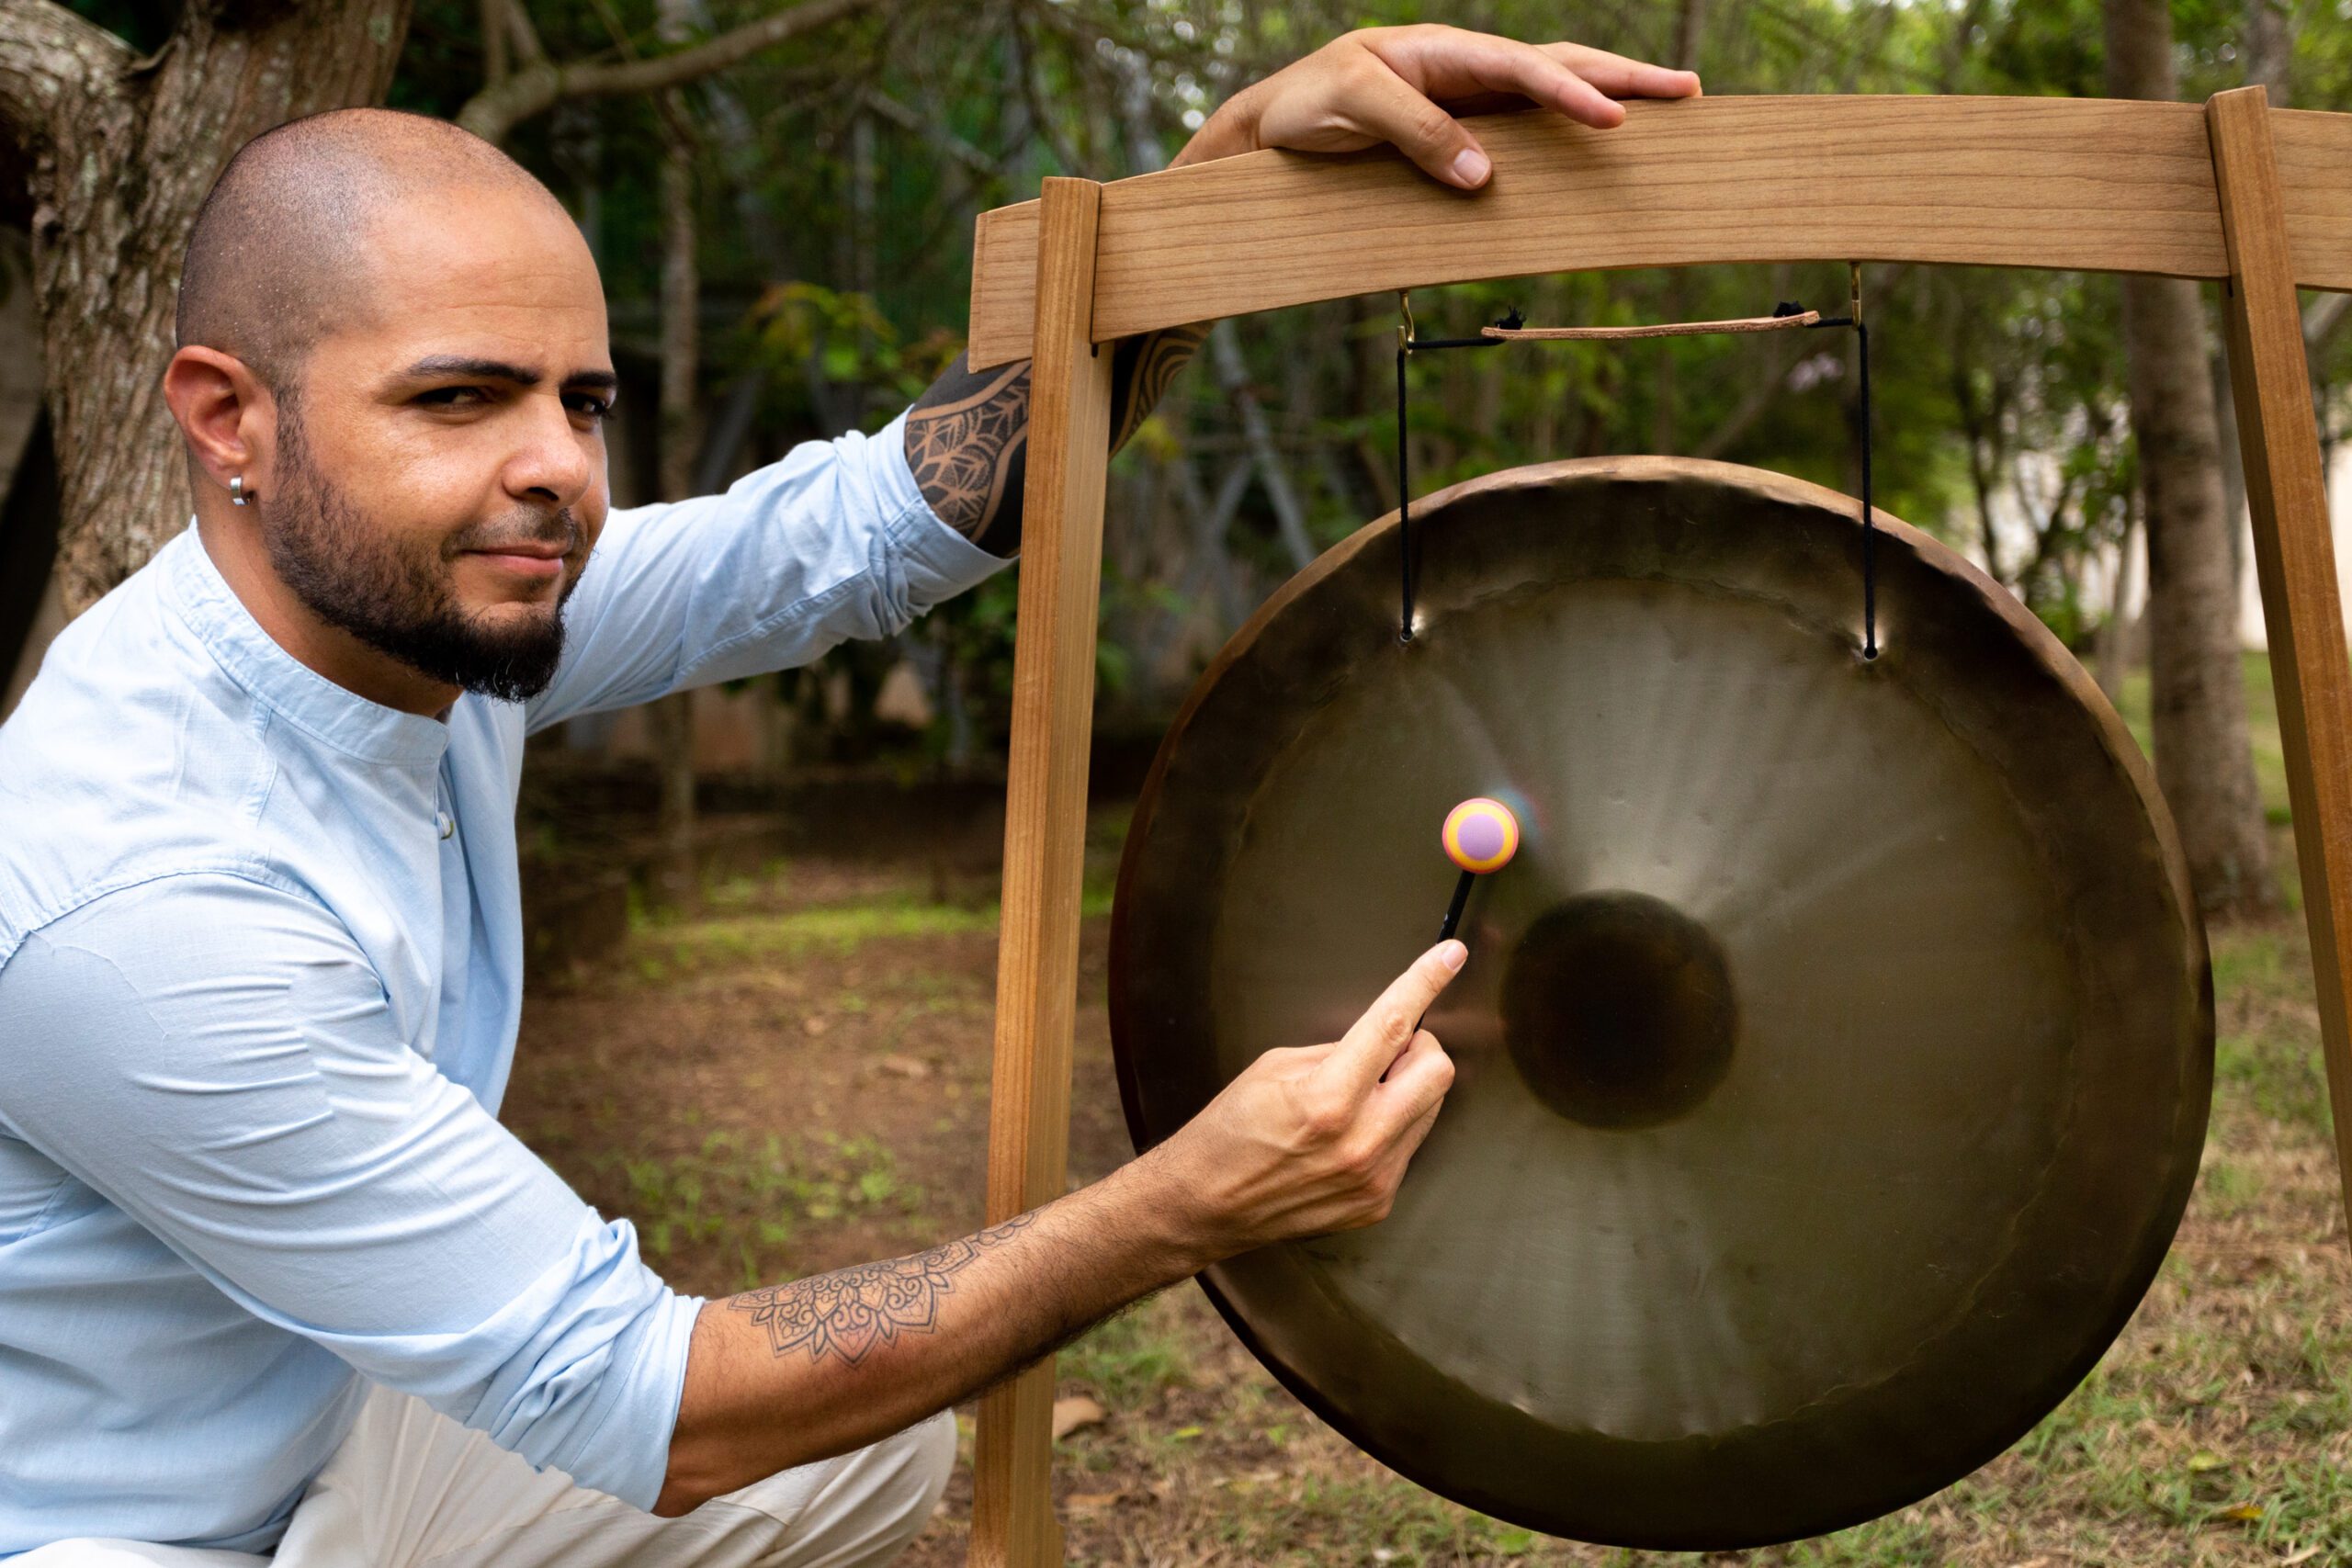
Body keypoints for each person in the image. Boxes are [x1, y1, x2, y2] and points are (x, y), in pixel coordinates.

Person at [0, 26, 1699, 1567]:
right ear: (229, 416)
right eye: (458, 397)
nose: (558, 472)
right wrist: (1182, 1199)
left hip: (317, 1441)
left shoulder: (421, 608)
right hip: (115, 1540)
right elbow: (655, 1402)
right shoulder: (142, 901)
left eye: (579, 401)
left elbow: (858, 533)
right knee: (737, 1432)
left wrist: (1217, 183)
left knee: (852, 1467)